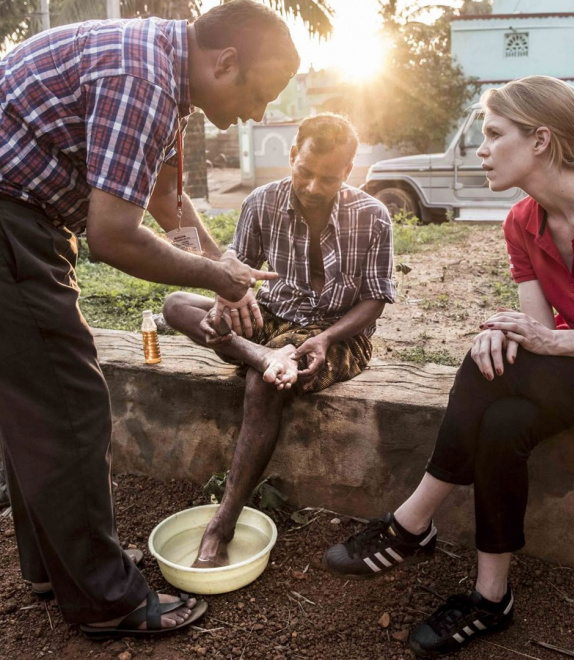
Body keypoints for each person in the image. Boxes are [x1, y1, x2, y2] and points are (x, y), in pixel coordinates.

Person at [0, 0, 299, 636]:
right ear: (226, 62)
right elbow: (114, 235)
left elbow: (166, 197)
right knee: (69, 411)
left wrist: (226, 268)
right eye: (261, 93)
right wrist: (218, 278)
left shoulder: (161, 70)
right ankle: (111, 604)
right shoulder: (143, 81)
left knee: (36, 413)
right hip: (9, 227)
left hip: (22, 224)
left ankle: (59, 568)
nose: (260, 114)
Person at [322, 75, 574, 656]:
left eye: (494, 134)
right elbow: (533, 331)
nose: (481, 148)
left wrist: (557, 345)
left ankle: (412, 522)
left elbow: (552, 343)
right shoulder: (521, 222)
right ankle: (492, 599)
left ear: (540, 140)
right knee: (501, 415)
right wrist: (504, 334)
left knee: (493, 364)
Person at [163, 113, 396, 568]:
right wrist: (229, 303)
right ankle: (262, 355)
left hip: (336, 334)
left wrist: (326, 339)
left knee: (263, 385)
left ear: (347, 171)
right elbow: (234, 271)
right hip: (272, 318)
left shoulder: (373, 215)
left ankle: (223, 521)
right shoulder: (261, 201)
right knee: (175, 305)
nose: (312, 186)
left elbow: (374, 300)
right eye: (305, 171)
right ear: (292, 155)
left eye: (327, 178)